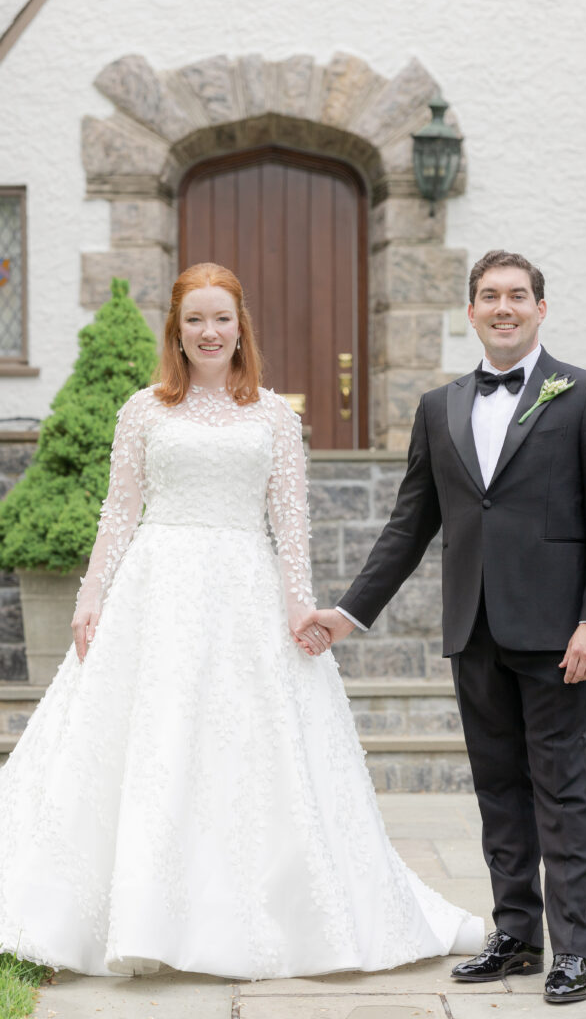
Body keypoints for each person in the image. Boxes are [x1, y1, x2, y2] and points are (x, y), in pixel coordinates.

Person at [0, 262, 484, 979]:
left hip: (243, 592)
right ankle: (130, 913)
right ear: (176, 328)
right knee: (151, 744)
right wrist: (89, 595)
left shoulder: (272, 417)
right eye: (193, 318)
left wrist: (298, 604)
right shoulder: (142, 409)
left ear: (240, 326)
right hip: (155, 590)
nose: (207, 331)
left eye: (220, 318)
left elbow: (291, 522)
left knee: (249, 752)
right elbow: (118, 510)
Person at [298, 250, 586, 1004]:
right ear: (471, 312)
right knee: (497, 791)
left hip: (557, 634)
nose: (503, 307)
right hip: (473, 628)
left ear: (540, 308)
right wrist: (347, 614)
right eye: (489, 296)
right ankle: (515, 936)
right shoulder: (438, 406)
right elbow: (407, 526)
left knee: (563, 790)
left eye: (517, 295)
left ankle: (574, 949)